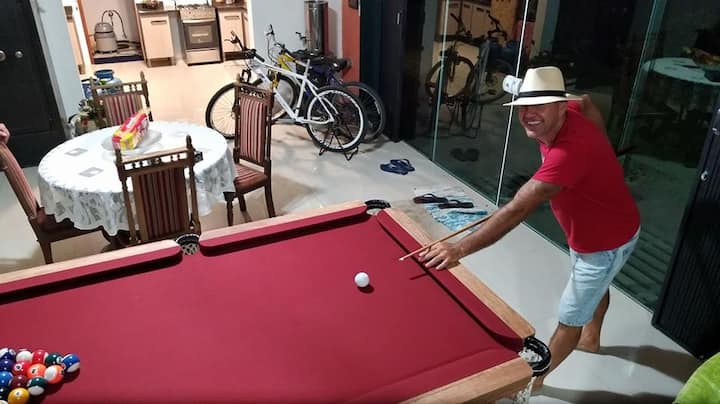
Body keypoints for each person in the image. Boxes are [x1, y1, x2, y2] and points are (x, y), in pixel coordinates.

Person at [419, 66, 640, 388]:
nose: (528, 114)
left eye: (539, 106)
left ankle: (533, 383)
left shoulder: (568, 154)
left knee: (570, 318)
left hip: (605, 242)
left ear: (561, 107)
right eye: (523, 106)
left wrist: (459, 248)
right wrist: (603, 149)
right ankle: (592, 338)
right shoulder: (570, 109)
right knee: (598, 287)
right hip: (595, 229)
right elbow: (586, 101)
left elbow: (516, 210)